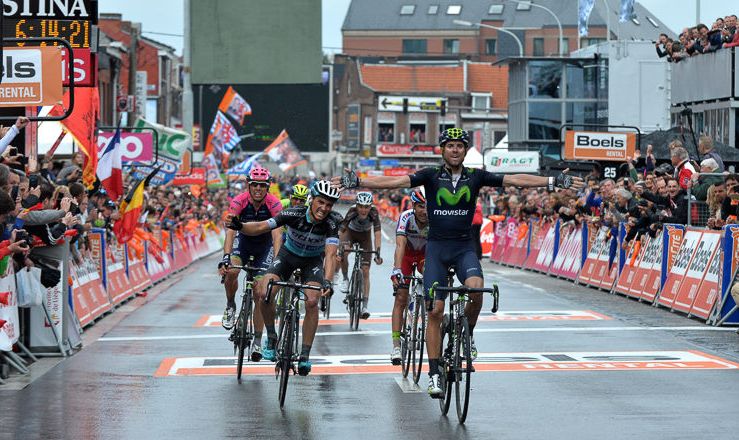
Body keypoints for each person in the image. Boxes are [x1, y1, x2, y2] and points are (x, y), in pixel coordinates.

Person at [333, 127, 583, 397]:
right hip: (437, 249)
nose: (455, 149)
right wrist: (357, 181)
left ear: (465, 151)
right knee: (435, 311)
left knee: (476, 290)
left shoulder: (476, 176)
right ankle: (435, 373)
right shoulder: (430, 175)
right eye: (449, 145)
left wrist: (552, 182)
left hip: (464, 247)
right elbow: (394, 183)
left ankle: (468, 334)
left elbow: (514, 179)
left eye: (459, 146)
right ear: (442, 150)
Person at [228, 180, 342, 376]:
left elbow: (331, 254)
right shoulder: (293, 214)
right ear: (311, 199)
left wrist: (328, 281)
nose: (324, 208)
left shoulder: (332, 223)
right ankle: (271, 337)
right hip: (287, 256)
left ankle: (305, 355)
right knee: (265, 291)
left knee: (313, 301)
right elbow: (262, 226)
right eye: (321, 202)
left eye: (329, 205)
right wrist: (241, 226)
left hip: (312, 262)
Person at [220, 166, 282, 362]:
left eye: (262, 186)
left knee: (259, 292)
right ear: (248, 185)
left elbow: (277, 234)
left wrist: (278, 261)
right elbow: (231, 230)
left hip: (264, 248)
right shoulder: (239, 201)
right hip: (243, 244)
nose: (258, 189)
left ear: (267, 187)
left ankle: (257, 340)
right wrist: (226, 256)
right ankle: (230, 304)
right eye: (254, 185)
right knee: (232, 272)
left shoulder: (274, 204)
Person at [389, 189, 428, 365]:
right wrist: (397, 269)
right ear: (413, 206)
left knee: (429, 271)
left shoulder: (435, 218)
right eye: (420, 206)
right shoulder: (406, 217)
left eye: (427, 206)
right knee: (400, 299)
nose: (424, 211)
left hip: (424, 256)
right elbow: (400, 245)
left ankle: (423, 305)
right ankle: (396, 346)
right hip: (406, 255)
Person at [338, 191, 383, 319]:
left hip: (365, 237)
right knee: (344, 251)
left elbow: (377, 233)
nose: (363, 210)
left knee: (365, 270)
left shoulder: (374, 213)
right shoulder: (352, 211)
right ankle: (346, 279)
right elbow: (341, 230)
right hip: (350, 234)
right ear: (356, 206)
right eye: (360, 206)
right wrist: (339, 248)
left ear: (371, 207)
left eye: (366, 207)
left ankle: (364, 306)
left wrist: (378, 252)